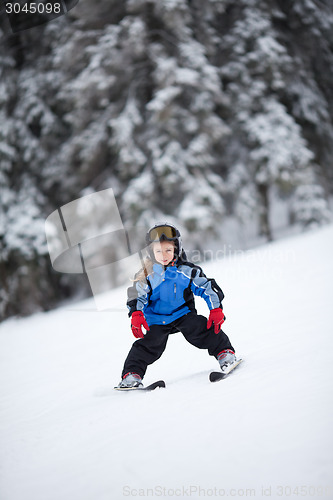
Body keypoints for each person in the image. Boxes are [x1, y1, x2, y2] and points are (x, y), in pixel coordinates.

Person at [117, 223, 236, 388]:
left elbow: (207, 287)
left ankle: (225, 354)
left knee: (201, 327)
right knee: (149, 344)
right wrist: (136, 314)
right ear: (152, 253)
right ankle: (131, 375)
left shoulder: (186, 271)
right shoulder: (147, 275)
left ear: (176, 249)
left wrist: (215, 309)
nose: (164, 255)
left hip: (183, 314)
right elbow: (136, 295)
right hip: (157, 319)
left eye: (168, 250)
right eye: (158, 251)